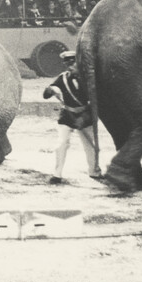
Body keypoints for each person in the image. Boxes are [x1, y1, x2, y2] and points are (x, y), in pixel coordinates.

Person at [43, 51, 102, 184]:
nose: (70, 67)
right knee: (61, 144)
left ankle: (94, 172)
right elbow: (48, 93)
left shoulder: (90, 79)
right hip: (67, 116)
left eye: (73, 64)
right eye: (68, 64)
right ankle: (57, 174)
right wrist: (50, 90)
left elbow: (97, 101)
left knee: (91, 146)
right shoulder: (62, 78)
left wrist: (85, 117)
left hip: (85, 116)